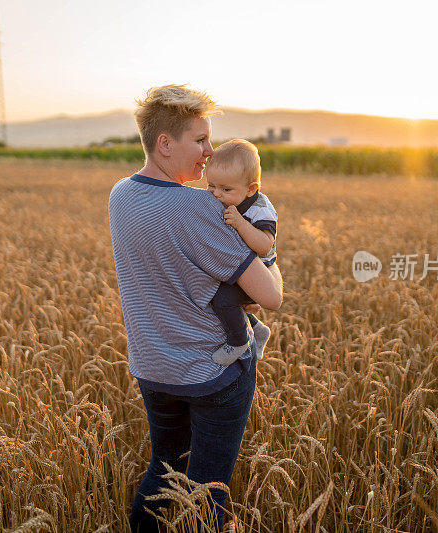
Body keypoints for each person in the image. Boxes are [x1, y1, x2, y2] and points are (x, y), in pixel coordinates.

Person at [108, 84, 283, 532]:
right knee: (209, 493)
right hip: (212, 373)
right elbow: (271, 297)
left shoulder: (121, 195)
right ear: (165, 144)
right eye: (200, 140)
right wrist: (271, 259)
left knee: (163, 470)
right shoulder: (197, 206)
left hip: (153, 369)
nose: (210, 151)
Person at [204, 139, 278, 366]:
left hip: (258, 270)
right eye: (211, 186)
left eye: (225, 189)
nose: (217, 194)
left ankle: (239, 341)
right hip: (240, 264)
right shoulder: (230, 199)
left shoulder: (259, 210)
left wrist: (241, 224)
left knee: (223, 300)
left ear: (251, 189)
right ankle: (257, 328)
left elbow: (265, 245)